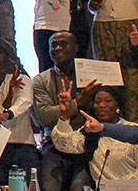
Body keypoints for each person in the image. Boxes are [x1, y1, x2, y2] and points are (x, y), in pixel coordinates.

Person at [32, 31, 101, 191]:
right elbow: (45, 117)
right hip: (54, 145)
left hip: (86, 143)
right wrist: (80, 102)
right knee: (49, 187)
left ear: (76, 48)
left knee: (78, 187)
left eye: (63, 44)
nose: (57, 48)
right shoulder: (41, 80)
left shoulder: (91, 76)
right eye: (53, 45)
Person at [53, 84, 138, 188]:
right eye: (97, 102)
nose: (102, 105)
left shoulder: (132, 130)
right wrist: (65, 115)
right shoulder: (89, 131)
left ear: (117, 105)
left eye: (108, 101)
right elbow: (64, 144)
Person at [0, 45, 38, 190]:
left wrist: (7, 113)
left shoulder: (20, 79)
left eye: (1, 67)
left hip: (22, 144)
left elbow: (24, 102)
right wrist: (9, 98)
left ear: (8, 65)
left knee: (27, 184)